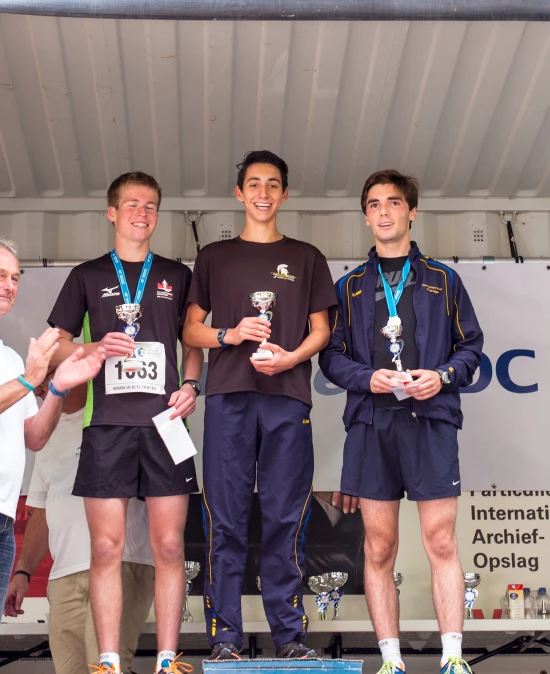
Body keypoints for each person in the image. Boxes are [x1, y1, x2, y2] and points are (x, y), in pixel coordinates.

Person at [319, 170, 484, 674]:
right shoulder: (347, 286)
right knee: (379, 544)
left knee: (440, 540)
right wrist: (366, 380)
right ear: (365, 215)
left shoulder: (443, 278)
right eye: (374, 204)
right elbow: (331, 356)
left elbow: (471, 348)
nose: (385, 211)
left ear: (412, 212)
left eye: (394, 202)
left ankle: (453, 656)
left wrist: (442, 375)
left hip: (430, 418)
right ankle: (391, 660)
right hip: (372, 422)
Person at [47, 171, 203, 674]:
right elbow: (57, 343)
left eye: (151, 205)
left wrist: (191, 386)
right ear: (112, 213)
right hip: (107, 426)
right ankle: (109, 661)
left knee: (169, 545)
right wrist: (93, 347)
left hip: (164, 426)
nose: (142, 212)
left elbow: (194, 342)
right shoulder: (87, 275)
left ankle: (166, 659)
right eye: (132, 204)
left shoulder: (177, 275)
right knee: (107, 546)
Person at [183, 150, 336, 659]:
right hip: (228, 397)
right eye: (254, 184)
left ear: (285, 194)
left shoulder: (308, 256)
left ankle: (290, 638)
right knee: (224, 519)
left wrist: (290, 356)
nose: (263, 193)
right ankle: (224, 640)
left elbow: (322, 330)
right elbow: (191, 329)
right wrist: (230, 334)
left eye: (273, 185)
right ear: (239, 193)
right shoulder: (214, 257)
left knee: (283, 517)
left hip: (287, 398)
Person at [0, 234, 105, 674]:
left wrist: (56, 386)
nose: (9, 285)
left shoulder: (10, 357)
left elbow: (33, 436)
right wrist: (29, 377)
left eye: (16, 277)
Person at [4, 378, 155, 674]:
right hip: (64, 579)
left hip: (120, 564)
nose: (37, 389)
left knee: (107, 666)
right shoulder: (45, 435)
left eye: (45, 378)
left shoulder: (118, 417)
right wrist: (22, 571)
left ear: (73, 375)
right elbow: (42, 511)